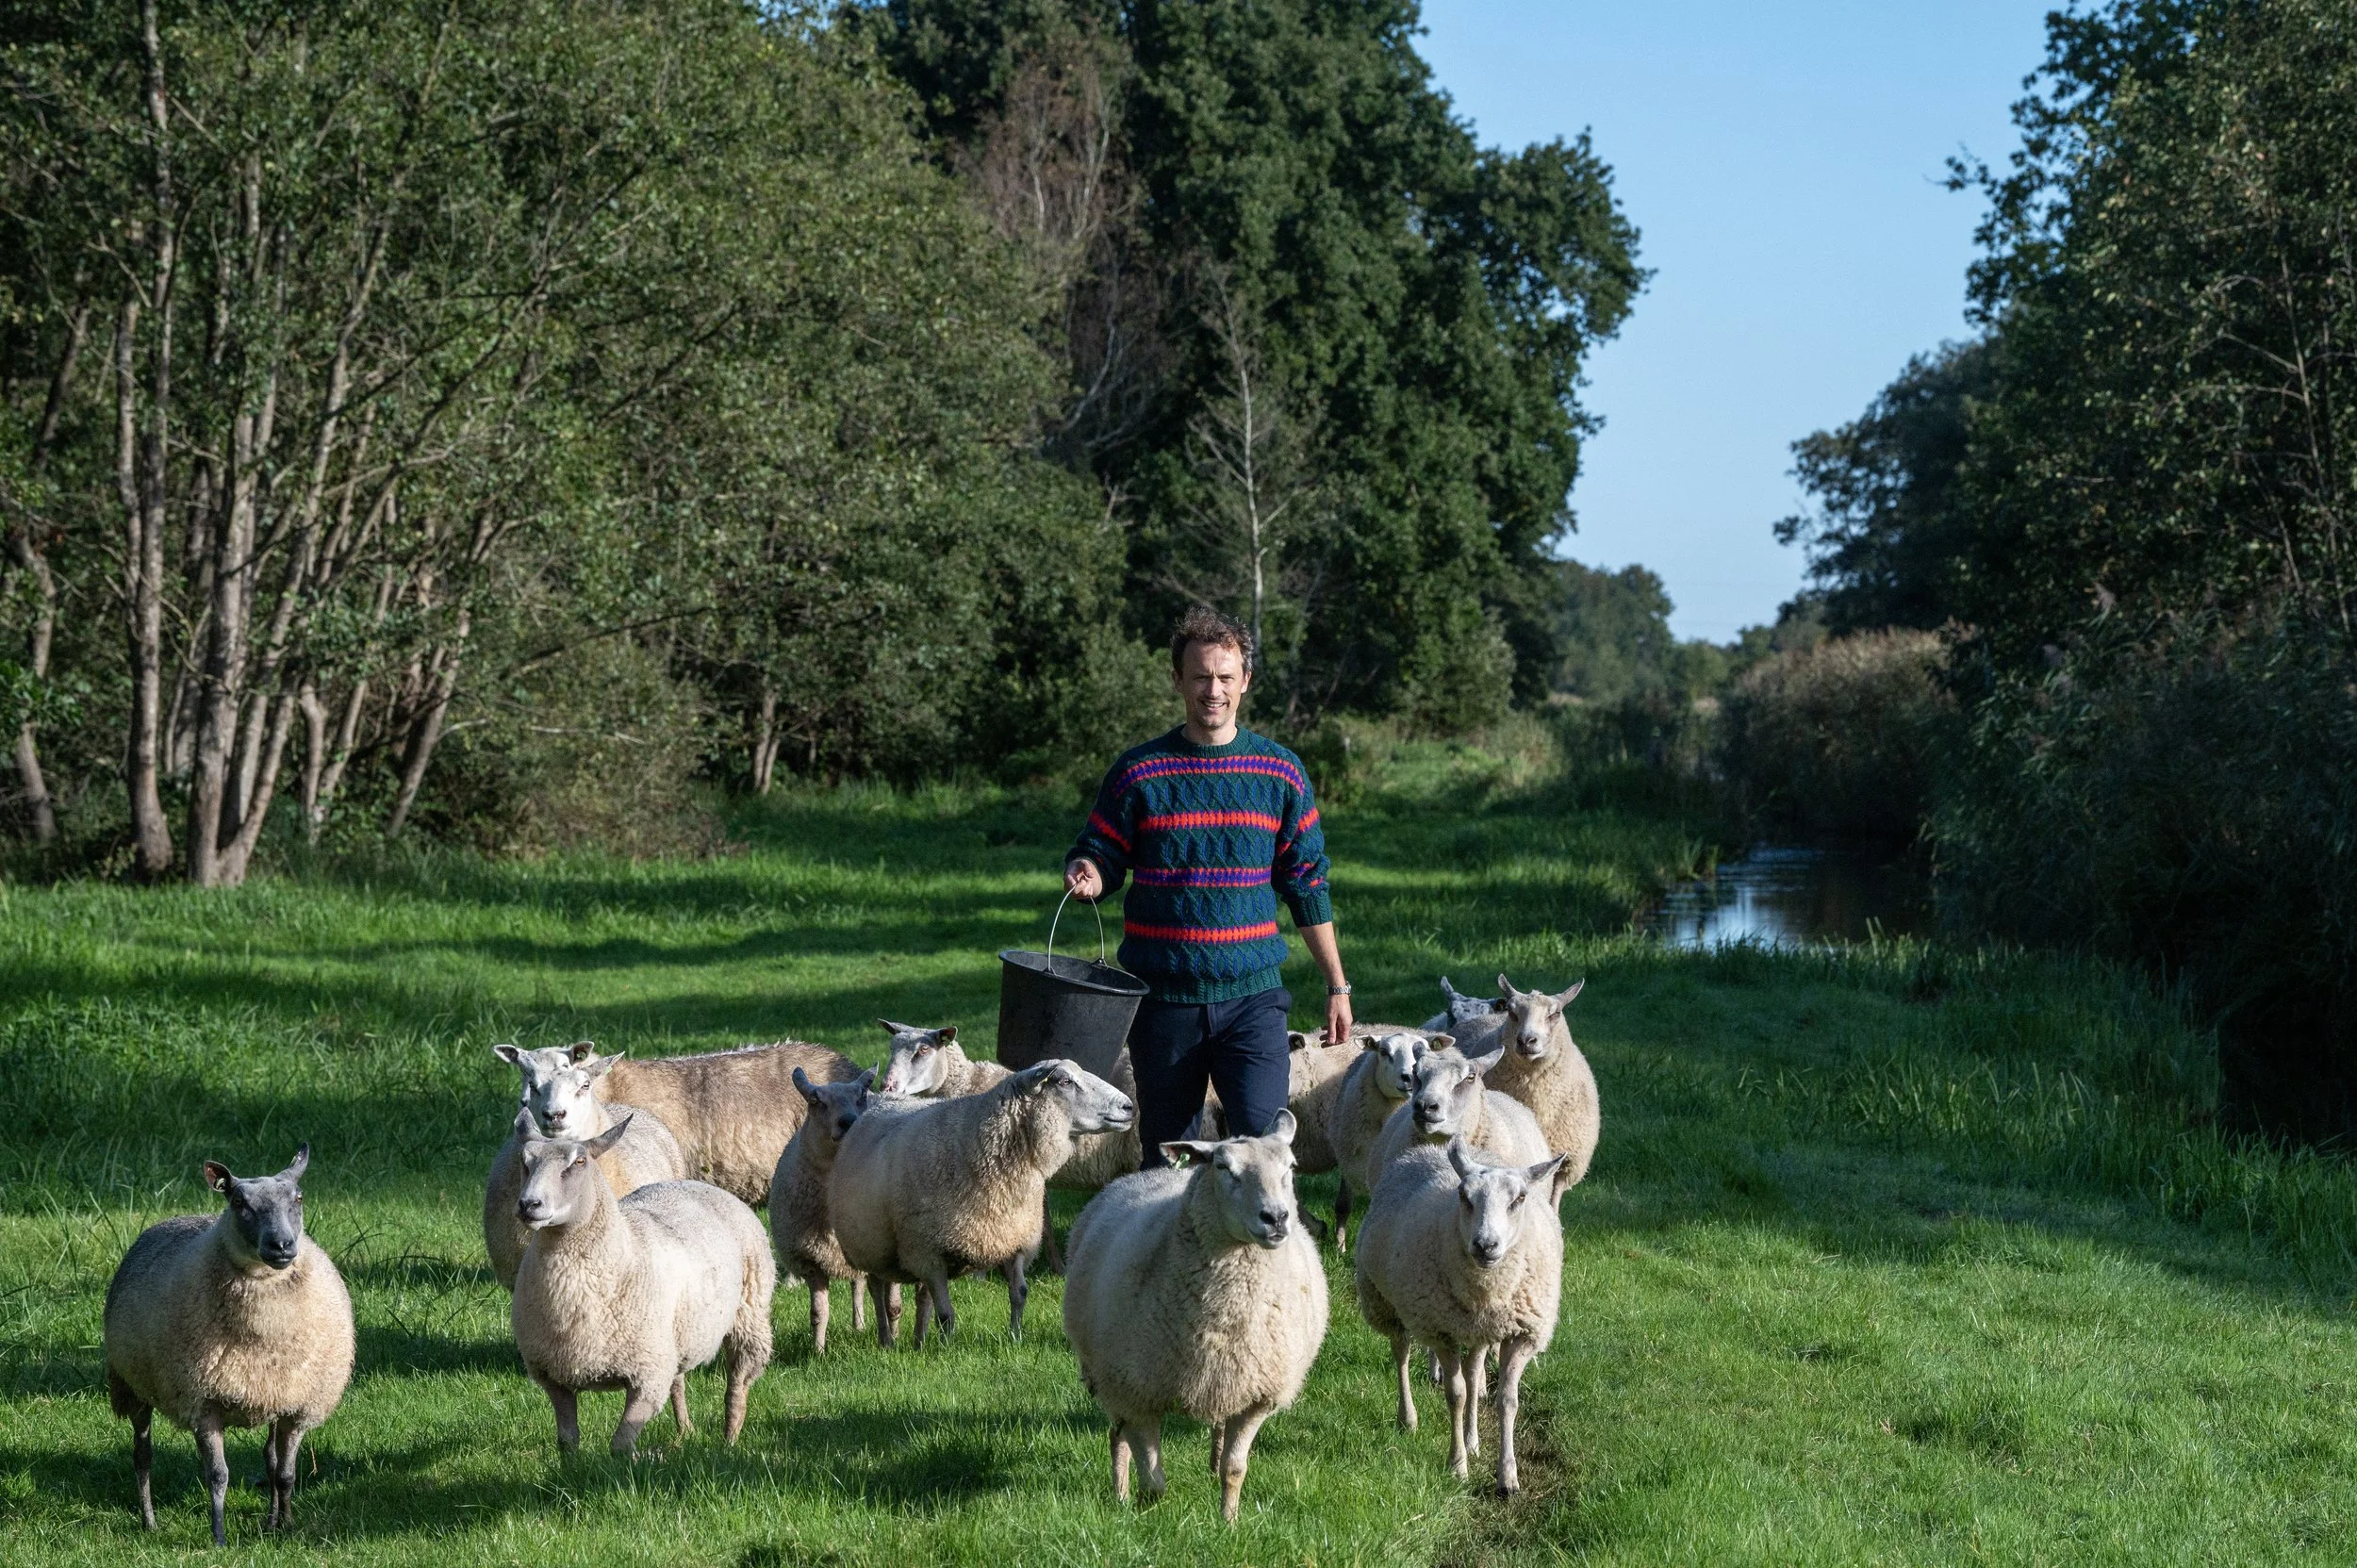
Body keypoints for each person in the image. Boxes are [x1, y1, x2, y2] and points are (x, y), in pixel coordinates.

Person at [1064, 606, 1353, 1165]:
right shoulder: (1139, 772)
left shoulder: (1280, 773)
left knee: (1265, 1152)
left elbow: (1307, 884)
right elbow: (1101, 851)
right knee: (1167, 1157)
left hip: (1252, 998)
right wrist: (1089, 871)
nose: (1213, 690)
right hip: (1163, 1000)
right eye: (1200, 677)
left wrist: (1336, 985)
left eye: (1225, 677)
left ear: (1245, 681)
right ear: (1178, 680)